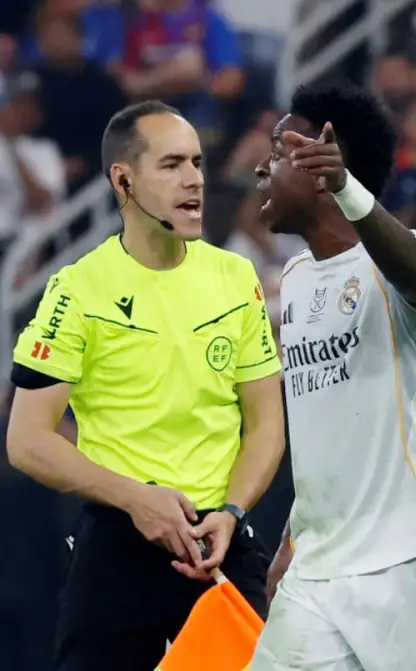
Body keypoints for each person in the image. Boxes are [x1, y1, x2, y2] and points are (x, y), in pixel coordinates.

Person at [5, 100, 285, 670]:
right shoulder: (76, 290)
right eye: (172, 164)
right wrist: (136, 499)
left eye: (198, 163)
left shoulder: (236, 278)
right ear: (123, 180)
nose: (194, 179)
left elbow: (265, 425)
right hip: (117, 546)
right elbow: (26, 440)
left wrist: (232, 512)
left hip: (219, 546)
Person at [248, 84, 416, 670]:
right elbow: (326, 433)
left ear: (323, 169)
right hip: (319, 568)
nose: (261, 168)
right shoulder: (296, 279)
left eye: (278, 153)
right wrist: (292, 537)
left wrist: (347, 189)